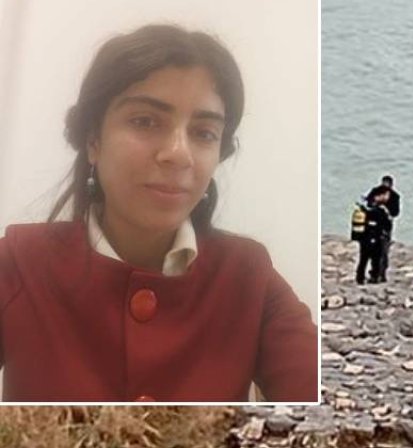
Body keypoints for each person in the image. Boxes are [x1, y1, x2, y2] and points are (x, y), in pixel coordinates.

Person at [0, 24, 318, 402]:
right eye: (145, 121)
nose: (178, 153)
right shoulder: (18, 264)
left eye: (203, 133)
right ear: (93, 141)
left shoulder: (250, 276)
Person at [364, 174, 400, 281]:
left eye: (388, 184)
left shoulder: (394, 196)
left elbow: (395, 212)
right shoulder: (375, 191)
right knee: (373, 250)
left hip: (385, 227)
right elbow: (367, 204)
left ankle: (382, 273)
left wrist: (386, 208)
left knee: (384, 251)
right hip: (373, 225)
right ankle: (374, 274)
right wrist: (376, 202)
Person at [355, 190, 391, 285]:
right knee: (375, 259)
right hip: (376, 237)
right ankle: (374, 277)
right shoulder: (381, 211)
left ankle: (360, 277)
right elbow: (387, 225)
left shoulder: (364, 210)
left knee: (363, 259)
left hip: (364, 238)